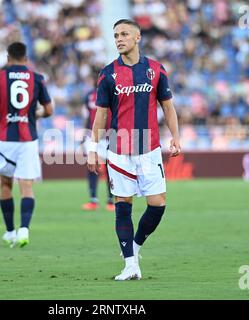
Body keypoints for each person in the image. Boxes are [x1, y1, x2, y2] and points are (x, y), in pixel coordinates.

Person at [87, 19, 181, 280]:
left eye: (125, 34)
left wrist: (176, 136)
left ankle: (135, 245)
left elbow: (168, 107)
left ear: (138, 37)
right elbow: (101, 116)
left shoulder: (155, 70)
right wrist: (94, 148)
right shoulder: (108, 74)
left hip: (149, 149)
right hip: (118, 151)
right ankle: (130, 264)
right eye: (116, 34)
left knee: (158, 204)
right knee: (123, 206)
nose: (119, 38)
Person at [0, 42, 53, 248]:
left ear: (8, 58)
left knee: (6, 185)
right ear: (26, 58)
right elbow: (48, 109)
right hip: (27, 139)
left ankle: (9, 232)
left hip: (5, 139)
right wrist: (35, 114)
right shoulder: (37, 78)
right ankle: (24, 229)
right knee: (27, 187)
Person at [81, 69, 114, 212]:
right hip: (93, 135)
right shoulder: (89, 96)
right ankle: (93, 199)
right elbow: (89, 116)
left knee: (110, 168)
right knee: (92, 166)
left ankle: (111, 200)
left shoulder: (112, 93)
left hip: (108, 136)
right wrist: (85, 133)